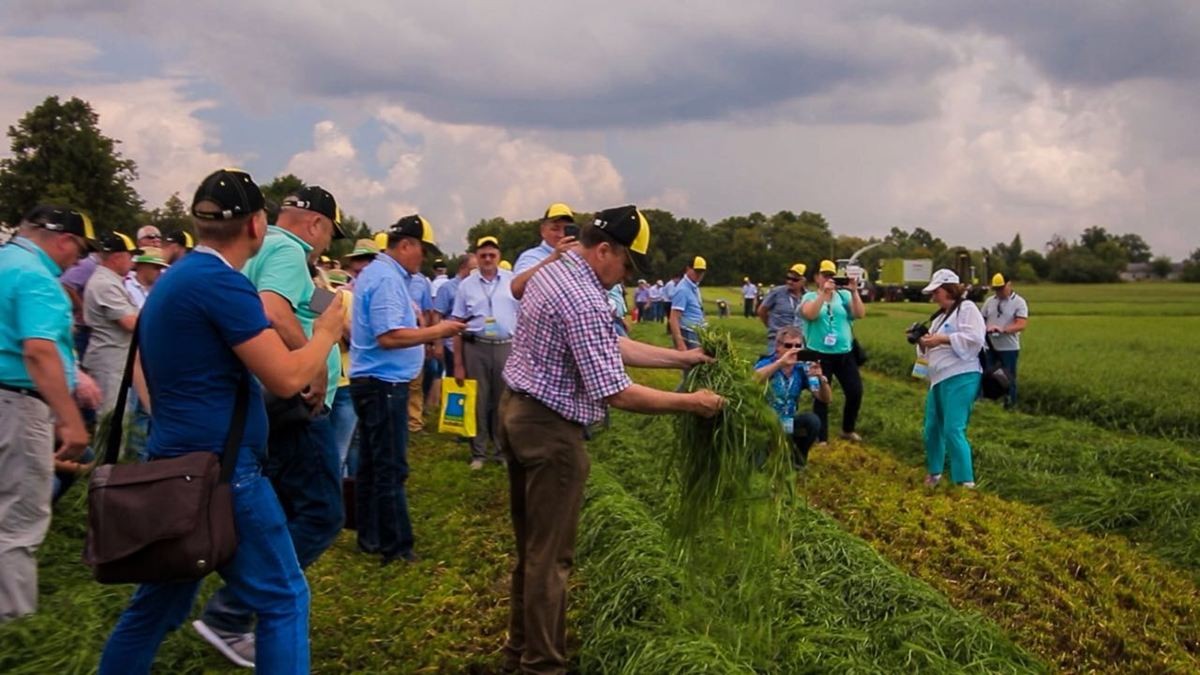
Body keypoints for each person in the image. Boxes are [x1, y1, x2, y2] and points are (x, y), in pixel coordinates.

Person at [99, 168, 342, 673]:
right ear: (256, 225)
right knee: (284, 598)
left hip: (174, 466)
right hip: (223, 478)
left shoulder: (174, 279)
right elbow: (284, 378)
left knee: (155, 609)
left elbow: (143, 366)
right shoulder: (221, 286)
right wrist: (325, 333)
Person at [499, 204, 722, 674]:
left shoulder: (558, 270)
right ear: (604, 250)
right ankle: (543, 666)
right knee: (550, 558)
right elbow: (616, 391)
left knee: (531, 550)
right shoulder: (582, 296)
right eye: (626, 265)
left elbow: (607, 343)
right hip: (550, 431)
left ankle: (519, 650)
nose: (625, 277)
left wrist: (683, 359)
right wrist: (693, 404)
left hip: (518, 413)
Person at [193, 185, 348, 665]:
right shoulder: (286, 247)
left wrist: (328, 301)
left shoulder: (278, 254)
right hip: (297, 399)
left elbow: (295, 303)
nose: (325, 245)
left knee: (279, 508)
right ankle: (235, 611)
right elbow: (274, 310)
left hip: (271, 403)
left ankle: (241, 604)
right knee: (322, 513)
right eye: (328, 235)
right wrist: (314, 360)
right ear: (317, 224)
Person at [350, 215, 465, 565]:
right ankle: (396, 547)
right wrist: (438, 331)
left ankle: (369, 535)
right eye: (423, 251)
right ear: (406, 246)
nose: (424, 259)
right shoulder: (386, 279)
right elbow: (389, 337)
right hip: (384, 384)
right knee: (391, 466)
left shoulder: (383, 275)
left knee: (371, 463)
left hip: (376, 381)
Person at [0, 205, 92, 622]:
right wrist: (69, 418)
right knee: (21, 517)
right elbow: (38, 351)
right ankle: (15, 625)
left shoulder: (5, 261)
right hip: (17, 401)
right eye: (80, 250)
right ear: (64, 239)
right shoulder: (37, 278)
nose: (78, 260)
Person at [452, 236, 519, 470]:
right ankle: (478, 452)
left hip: (505, 347)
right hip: (476, 347)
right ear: (476, 257)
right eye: (483, 255)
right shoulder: (466, 285)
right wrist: (458, 363)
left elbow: (524, 319)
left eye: (492, 255)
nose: (488, 259)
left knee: (503, 401)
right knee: (478, 401)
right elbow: (457, 325)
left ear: (499, 257)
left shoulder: (512, 282)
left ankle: (502, 451)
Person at [915, 269, 985, 488]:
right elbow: (930, 345)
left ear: (948, 290)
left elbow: (975, 338)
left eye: (936, 292)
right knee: (932, 428)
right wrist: (922, 341)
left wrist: (942, 339)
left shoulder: (967, 309)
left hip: (961, 374)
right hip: (938, 379)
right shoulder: (939, 316)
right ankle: (934, 473)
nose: (933, 297)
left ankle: (965, 481)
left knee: (953, 428)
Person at [799, 259, 866, 444]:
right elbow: (811, 314)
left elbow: (859, 314)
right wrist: (823, 294)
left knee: (855, 391)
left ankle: (848, 429)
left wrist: (853, 292)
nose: (829, 279)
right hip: (818, 353)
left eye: (832, 275)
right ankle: (821, 437)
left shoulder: (843, 296)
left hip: (844, 352)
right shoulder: (810, 297)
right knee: (821, 394)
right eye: (825, 275)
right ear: (817, 277)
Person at [753, 326, 831, 468]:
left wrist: (820, 378)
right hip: (764, 424)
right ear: (778, 347)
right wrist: (780, 363)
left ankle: (796, 460)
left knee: (812, 421)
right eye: (788, 345)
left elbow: (824, 398)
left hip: (787, 424)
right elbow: (751, 381)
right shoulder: (767, 363)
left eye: (798, 346)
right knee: (759, 467)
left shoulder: (803, 368)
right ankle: (769, 450)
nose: (793, 349)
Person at [82, 232, 142, 414]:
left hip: (116, 360)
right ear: (117, 257)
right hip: (109, 362)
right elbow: (130, 323)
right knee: (111, 420)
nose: (133, 261)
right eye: (130, 255)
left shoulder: (112, 281)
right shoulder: (105, 284)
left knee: (120, 418)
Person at [326, 270, 358, 476]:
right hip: (327, 381)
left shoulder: (344, 298)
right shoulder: (321, 296)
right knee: (336, 453)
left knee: (340, 452)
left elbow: (356, 338)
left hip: (344, 382)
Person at [981, 273, 1028, 408]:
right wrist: (985, 328)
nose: (999, 292)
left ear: (1009, 284)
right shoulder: (990, 302)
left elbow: (1021, 324)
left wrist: (1002, 329)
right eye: (996, 289)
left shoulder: (1019, 302)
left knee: (1008, 378)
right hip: (989, 347)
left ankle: (1010, 405)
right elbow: (981, 319)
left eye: (1001, 288)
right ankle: (989, 404)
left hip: (1009, 348)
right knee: (988, 377)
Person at [510, 203, 576, 300]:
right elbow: (517, 289)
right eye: (555, 229)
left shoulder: (577, 257)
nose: (561, 234)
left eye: (566, 229)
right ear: (543, 231)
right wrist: (554, 257)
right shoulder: (530, 257)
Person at [433, 254, 478, 379]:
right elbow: (437, 315)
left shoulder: (478, 287)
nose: (477, 272)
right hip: (452, 345)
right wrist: (438, 344)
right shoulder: (447, 288)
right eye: (474, 268)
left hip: (473, 346)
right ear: (463, 268)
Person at [757, 263, 808, 354]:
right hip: (777, 340)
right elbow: (762, 311)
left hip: (798, 341)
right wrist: (771, 326)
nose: (790, 282)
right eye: (788, 278)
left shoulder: (808, 296)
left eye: (794, 280)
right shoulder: (777, 292)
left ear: (803, 281)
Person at [668, 257, 707, 351]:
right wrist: (680, 342)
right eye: (696, 271)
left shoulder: (694, 287)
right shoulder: (683, 290)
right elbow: (674, 318)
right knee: (693, 363)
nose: (699, 274)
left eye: (702, 272)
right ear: (688, 269)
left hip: (697, 331)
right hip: (688, 332)